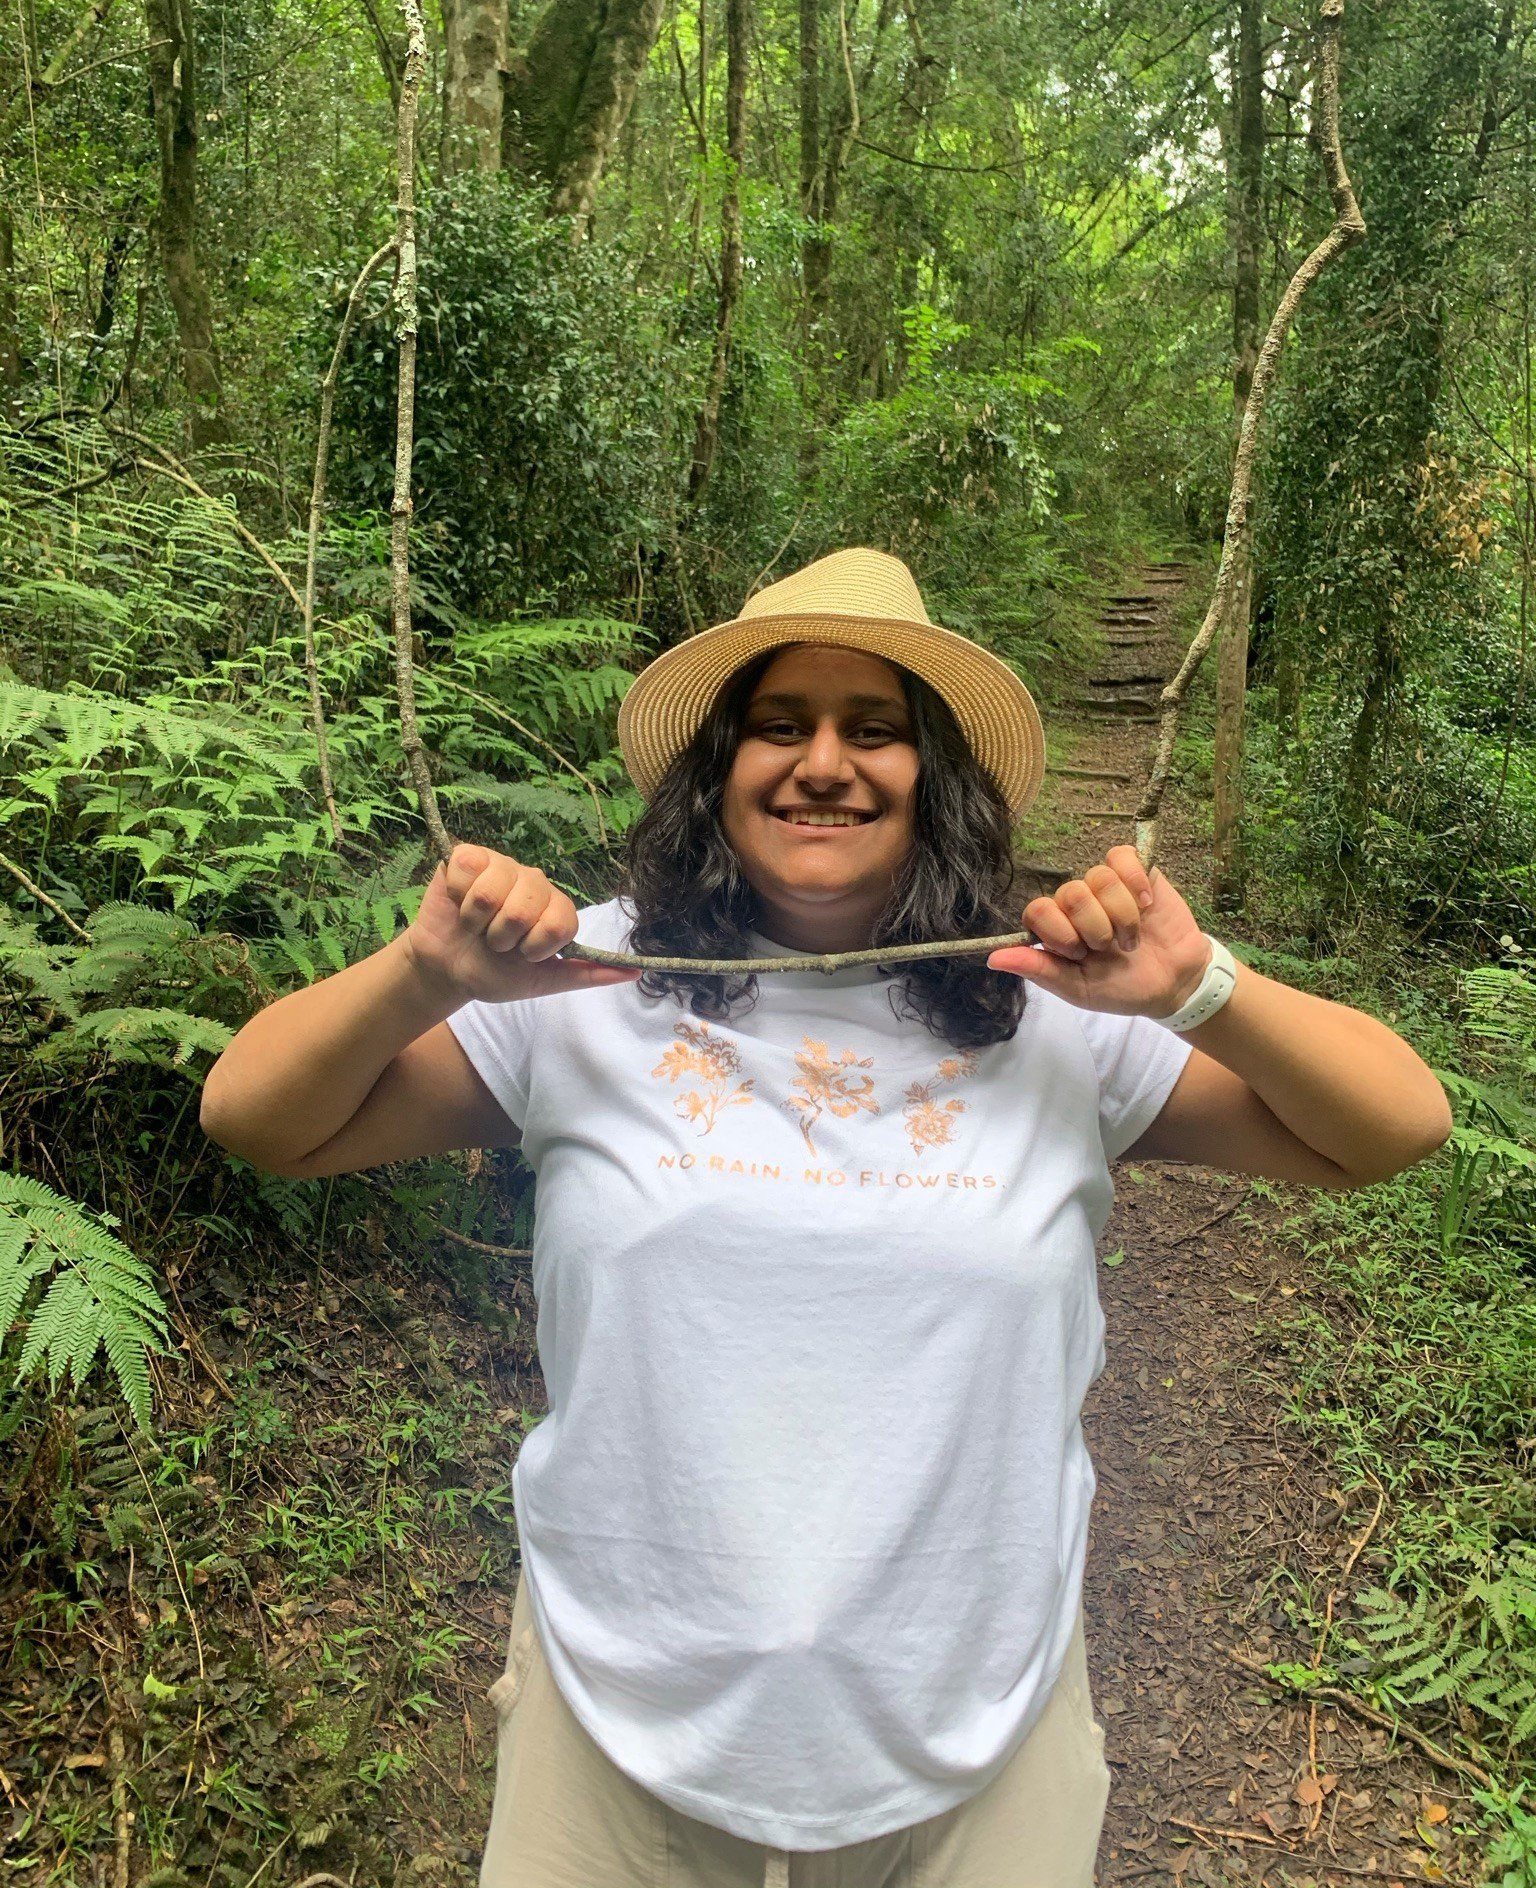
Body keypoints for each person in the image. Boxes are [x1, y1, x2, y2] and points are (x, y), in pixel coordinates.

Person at [200, 548, 1452, 1888]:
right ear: (718, 769)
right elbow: (257, 1117)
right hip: (615, 1705)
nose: (823, 764)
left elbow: (1394, 1128)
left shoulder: (1052, 1007)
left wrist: (1197, 988)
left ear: (936, 778)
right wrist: (425, 974)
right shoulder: (585, 981)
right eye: (779, 726)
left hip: (982, 1714)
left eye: (876, 730)